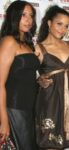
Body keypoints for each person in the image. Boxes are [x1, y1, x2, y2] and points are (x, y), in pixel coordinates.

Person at [35, 5, 69, 150]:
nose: (63, 29)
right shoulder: (39, 48)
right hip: (50, 101)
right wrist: (39, 80)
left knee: (67, 143)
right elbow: (27, 77)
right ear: (49, 23)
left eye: (66, 26)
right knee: (50, 142)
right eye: (59, 24)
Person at [0, 1, 39, 150]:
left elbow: (22, 76)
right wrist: (4, 120)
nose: (29, 20)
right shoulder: (9, 41)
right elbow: (0, 83)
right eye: (24, 15)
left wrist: (39, 80)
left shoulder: (28, 44)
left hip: (29, 109)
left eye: (31, 16)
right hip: (14, 109)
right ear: (14, 16)